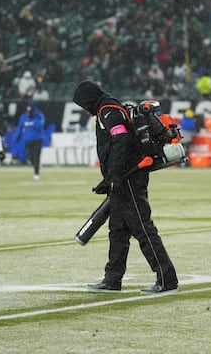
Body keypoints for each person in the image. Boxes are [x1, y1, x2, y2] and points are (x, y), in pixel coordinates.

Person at [73, 79, 178, 294]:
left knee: (142, 227)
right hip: (125, 177)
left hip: (129, 177)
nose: (84, 110)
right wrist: (110, 179)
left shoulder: (108, 111)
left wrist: (114, 176)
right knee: (118, 231)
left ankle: (167, 279)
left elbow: (121, 141)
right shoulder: (111, 107)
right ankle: (112, 278)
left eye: (83, 105)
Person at [16, 103, 45, 181]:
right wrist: (17, 136)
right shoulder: (23, 117)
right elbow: (19, 127)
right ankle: (37, 166)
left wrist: (32, 122)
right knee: (30, 157)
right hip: (27, 140)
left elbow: (40, 126)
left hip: (37, 139)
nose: (28, 113)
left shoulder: (39, 116)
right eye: (27, 111)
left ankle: (36, 174)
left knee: (36, 157)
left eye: (30, 111)